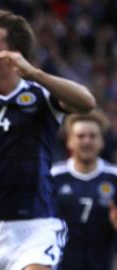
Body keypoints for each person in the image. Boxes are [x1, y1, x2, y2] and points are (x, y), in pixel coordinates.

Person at [0, 9, 95, 270]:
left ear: (14, 55)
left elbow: (86, 102)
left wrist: (34, 73)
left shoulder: (42, 96)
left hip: (34, 227)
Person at [51, 110, 117, 270]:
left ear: (102, 141)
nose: (87, 141)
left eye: (93, 136)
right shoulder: (53, 176)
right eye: (80, 136)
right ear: (69, 141)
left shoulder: (113, 176)